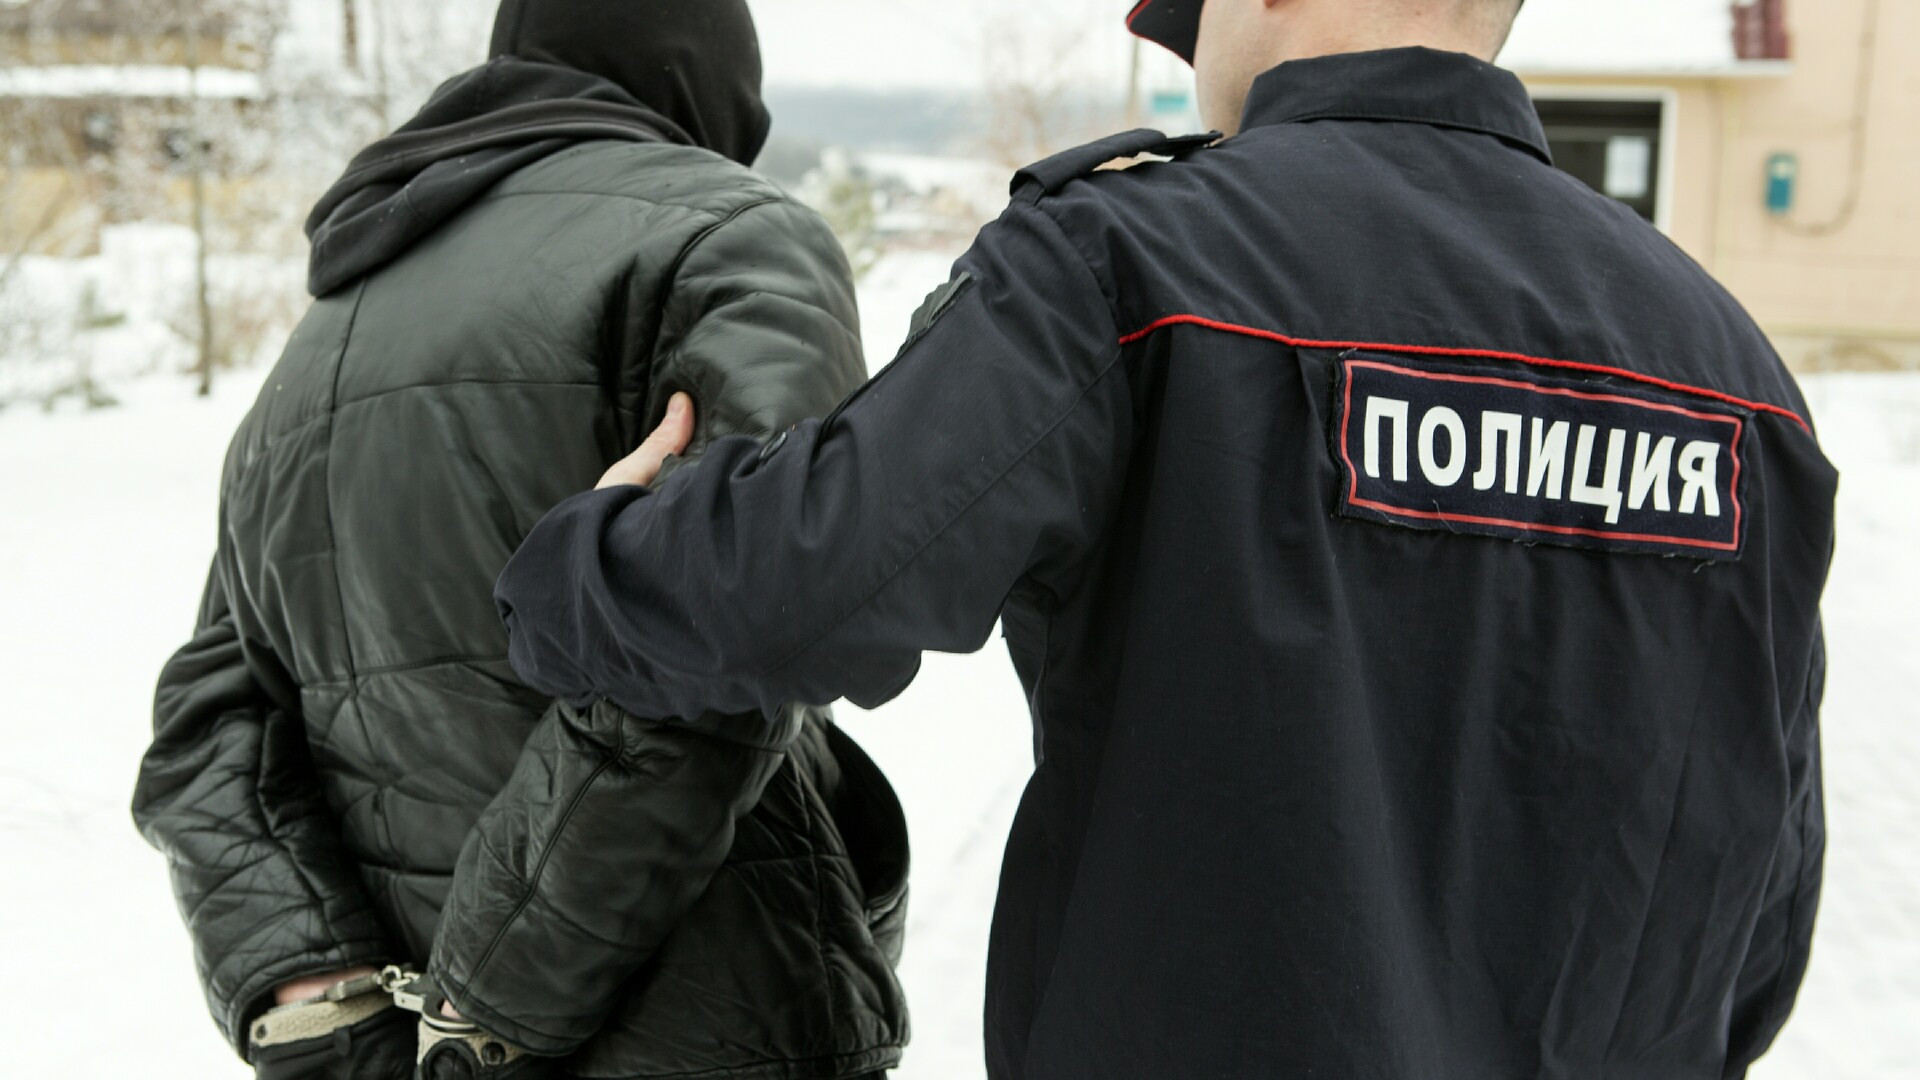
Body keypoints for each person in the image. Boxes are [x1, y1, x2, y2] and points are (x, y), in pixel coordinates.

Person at [493, 1, 1838, 1077]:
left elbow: (797, 588)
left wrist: (587, 555)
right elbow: (1763, 917)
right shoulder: (1739, 380)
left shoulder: (1133, 264)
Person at [131, 1, 910, 1077]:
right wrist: (487, 1009)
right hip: (700, 1032)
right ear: (710, 82)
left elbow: (207, 719)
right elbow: (731, 623)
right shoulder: (731, 240)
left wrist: (317, 1000)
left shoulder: (319, 343)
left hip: (410, 1044)